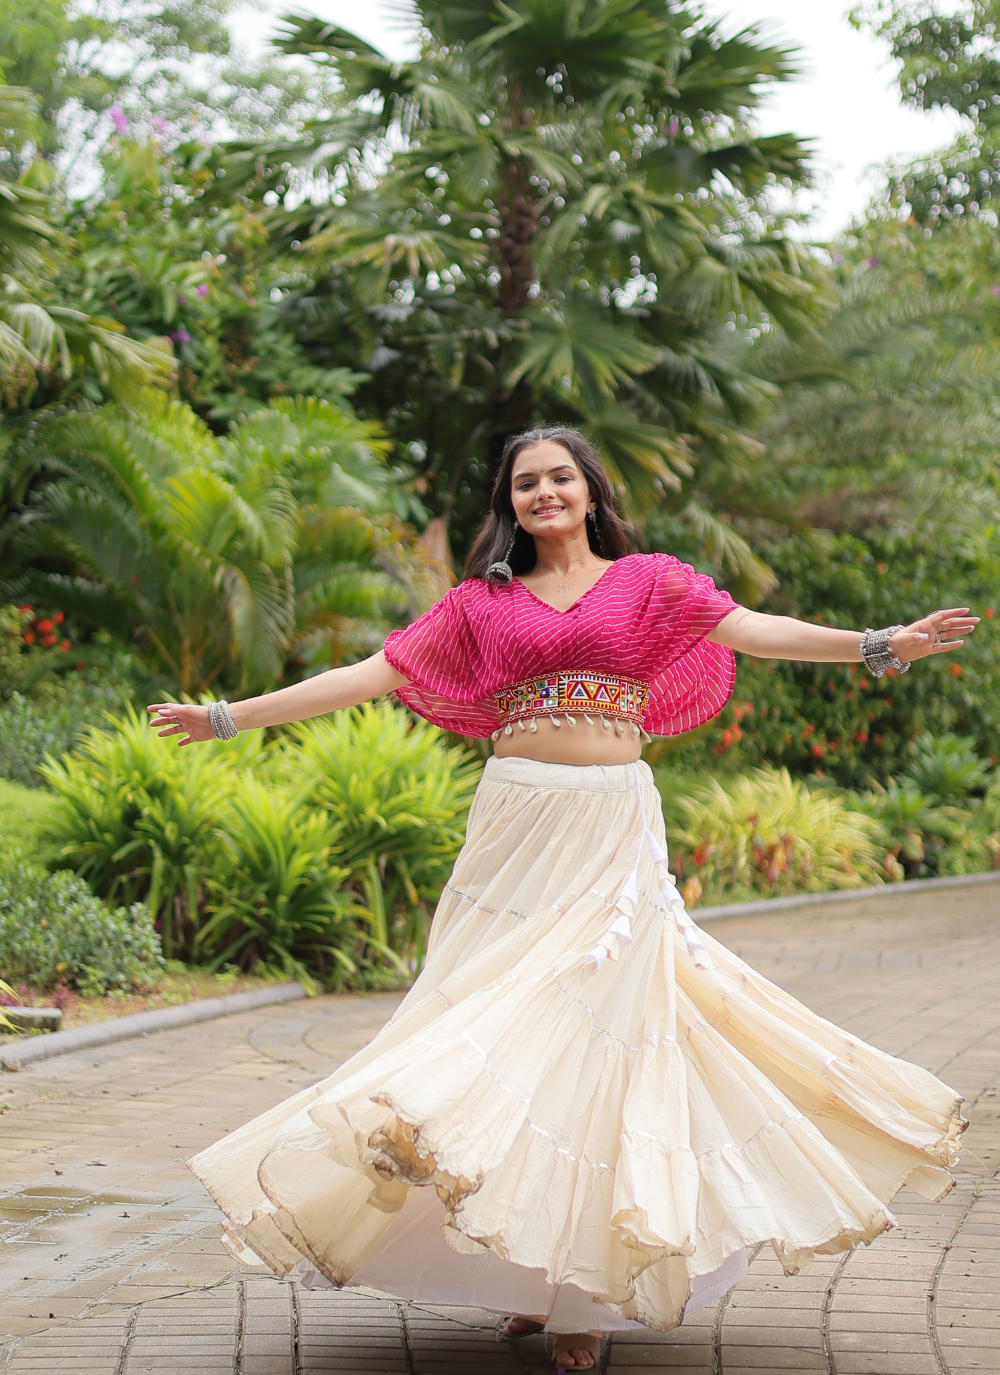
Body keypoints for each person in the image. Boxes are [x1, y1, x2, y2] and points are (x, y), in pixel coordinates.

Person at [149, 425, 976, 1372]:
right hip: (517, 831)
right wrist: (228, 717)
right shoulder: (480, 603)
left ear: (590, 492)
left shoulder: (649, 581)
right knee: (505, 1035)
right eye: (525, 483)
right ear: (510, 503)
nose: (543, 493)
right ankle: (526, 1278)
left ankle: (581, 1296)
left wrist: (878, 643)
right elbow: (370, 675)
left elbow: (755, 629)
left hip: (613, 829)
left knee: (600, 1043)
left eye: (559, 478)